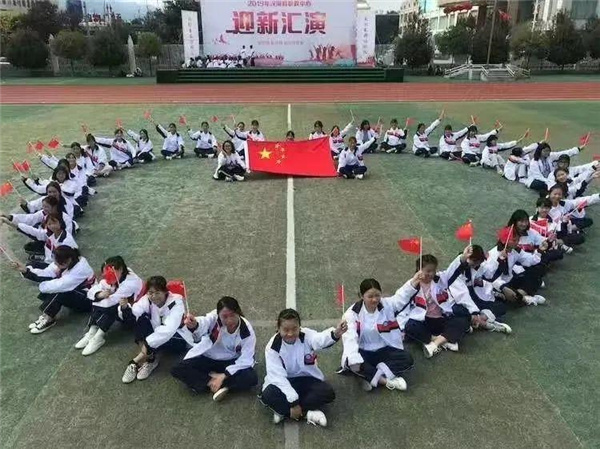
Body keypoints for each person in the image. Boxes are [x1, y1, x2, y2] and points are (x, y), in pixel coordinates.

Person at [260, 308, 347, 427]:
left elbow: (319, 339)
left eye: (294, 329)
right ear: (278, 328)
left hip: (306, 379)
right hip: (284, 381)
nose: (290, 333)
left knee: (327, 392)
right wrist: (293, 402)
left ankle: (283, 411)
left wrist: (336, 333)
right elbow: (278, 377)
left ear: (299, 327)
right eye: (286, 330)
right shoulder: (272, 348)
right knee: (268, 394)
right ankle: (307, 414)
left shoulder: (306, 335)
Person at [171, 296, 258, 402]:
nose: (229, 320)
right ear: (218, 315)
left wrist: (224, 375)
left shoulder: (246, 330)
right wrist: (194, 324)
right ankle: (216, 383)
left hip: (230, 361)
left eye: (232, 315)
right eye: (224, 317)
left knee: (251, 377)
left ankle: (208, 381)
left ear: (238, 312)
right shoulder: (214, 318)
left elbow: (246, 358)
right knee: (178, 368)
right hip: (208, 357)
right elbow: (203, 322)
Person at [394, 250, 478, 358]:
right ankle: (444, 340)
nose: (431, 274)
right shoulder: (412, 285)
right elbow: (401, 302)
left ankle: (434, 344)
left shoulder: (439, 279)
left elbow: (452, 270)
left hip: (440, 319)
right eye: (428, 271)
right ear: (419, 270)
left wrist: (463, 257)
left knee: (464, 318)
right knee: (410, 326)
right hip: (423, 321)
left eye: (433, 270)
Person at [339, 279, 414, 392]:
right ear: (361, 296)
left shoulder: (387, 305)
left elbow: (402, 295)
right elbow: (350, 339)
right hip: (364, 352)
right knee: (353, 362)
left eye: (377, 295)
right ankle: (387, 381)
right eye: (370, 296)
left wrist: (416, 279)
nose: (374, 299)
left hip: (384, 350)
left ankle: (370, 376)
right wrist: (353, 358)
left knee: (407, 359)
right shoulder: (352, 314)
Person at [120, 276, 191, 383]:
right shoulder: (147, 299)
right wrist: (125, 308)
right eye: (150, 293)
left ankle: (137, 361)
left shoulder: (176, 302)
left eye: (157, 293)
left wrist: (146, 346)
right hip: (157, 334)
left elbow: (168, 330)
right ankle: (151, 358)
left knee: (164, 335)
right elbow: (134, 315)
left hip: (179, 338)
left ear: (165, 291)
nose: (153, 296)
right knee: (140, 319)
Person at [11, 246, 94, 334]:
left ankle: (49, 318)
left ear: (67, 261)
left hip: (88, 301)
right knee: (52, 284)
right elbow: (48, 272)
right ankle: (47, 315)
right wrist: (25, 271)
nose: (56, 265)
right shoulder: (68, 260)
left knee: (60, 291)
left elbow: (58, 285)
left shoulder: (80, 270)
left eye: (58, 264)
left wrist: (42, 284)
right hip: (76, 292)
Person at [75, 256, 143, 356]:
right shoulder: (119, 275)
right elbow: (93, 291)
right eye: (105, 274)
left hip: (134, 317)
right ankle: (92, 330)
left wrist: (98, 297)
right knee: (100, 300)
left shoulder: (130, 283)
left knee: (110, 306)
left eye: (109, 274)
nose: (106, 277)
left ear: (120, 269)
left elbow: (110, 302)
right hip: (121, 309)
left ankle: (99, 336)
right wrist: (99, 294)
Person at [450, 245, 512, 333]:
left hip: (475, 298)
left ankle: (479, 319)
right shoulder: (456, 273)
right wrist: (474, 311)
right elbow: (462, 296)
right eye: (475, 261)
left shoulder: (478, 266)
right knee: (458, 311)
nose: (477, 265)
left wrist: (501, 259)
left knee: (500, 306)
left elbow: (490, 276)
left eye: (479, 262)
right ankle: (485, 323)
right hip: (458, 301)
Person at [487, 228, 546, 307]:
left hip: (510, 280)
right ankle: (525, 298)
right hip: (498, 284)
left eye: (518, 240)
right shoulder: (493, 255)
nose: (517, 242)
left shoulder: (515, 250)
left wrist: (540, 251)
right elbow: (491, 278)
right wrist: (503, 287)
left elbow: (530, 260)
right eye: (514, 240)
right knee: (505, 296)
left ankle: (519, 296)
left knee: (536, 273)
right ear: (504, 241)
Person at [0, 212, 77, 266]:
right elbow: (32, 231)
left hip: (56, 265)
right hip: (51, 259)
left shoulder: (66, 241)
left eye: (54, 223)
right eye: (49, 224)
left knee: (30, 267)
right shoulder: (51, 234)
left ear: (60, 223)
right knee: (29, 249)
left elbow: (68, 261)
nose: (51, 226)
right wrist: (8, 222)